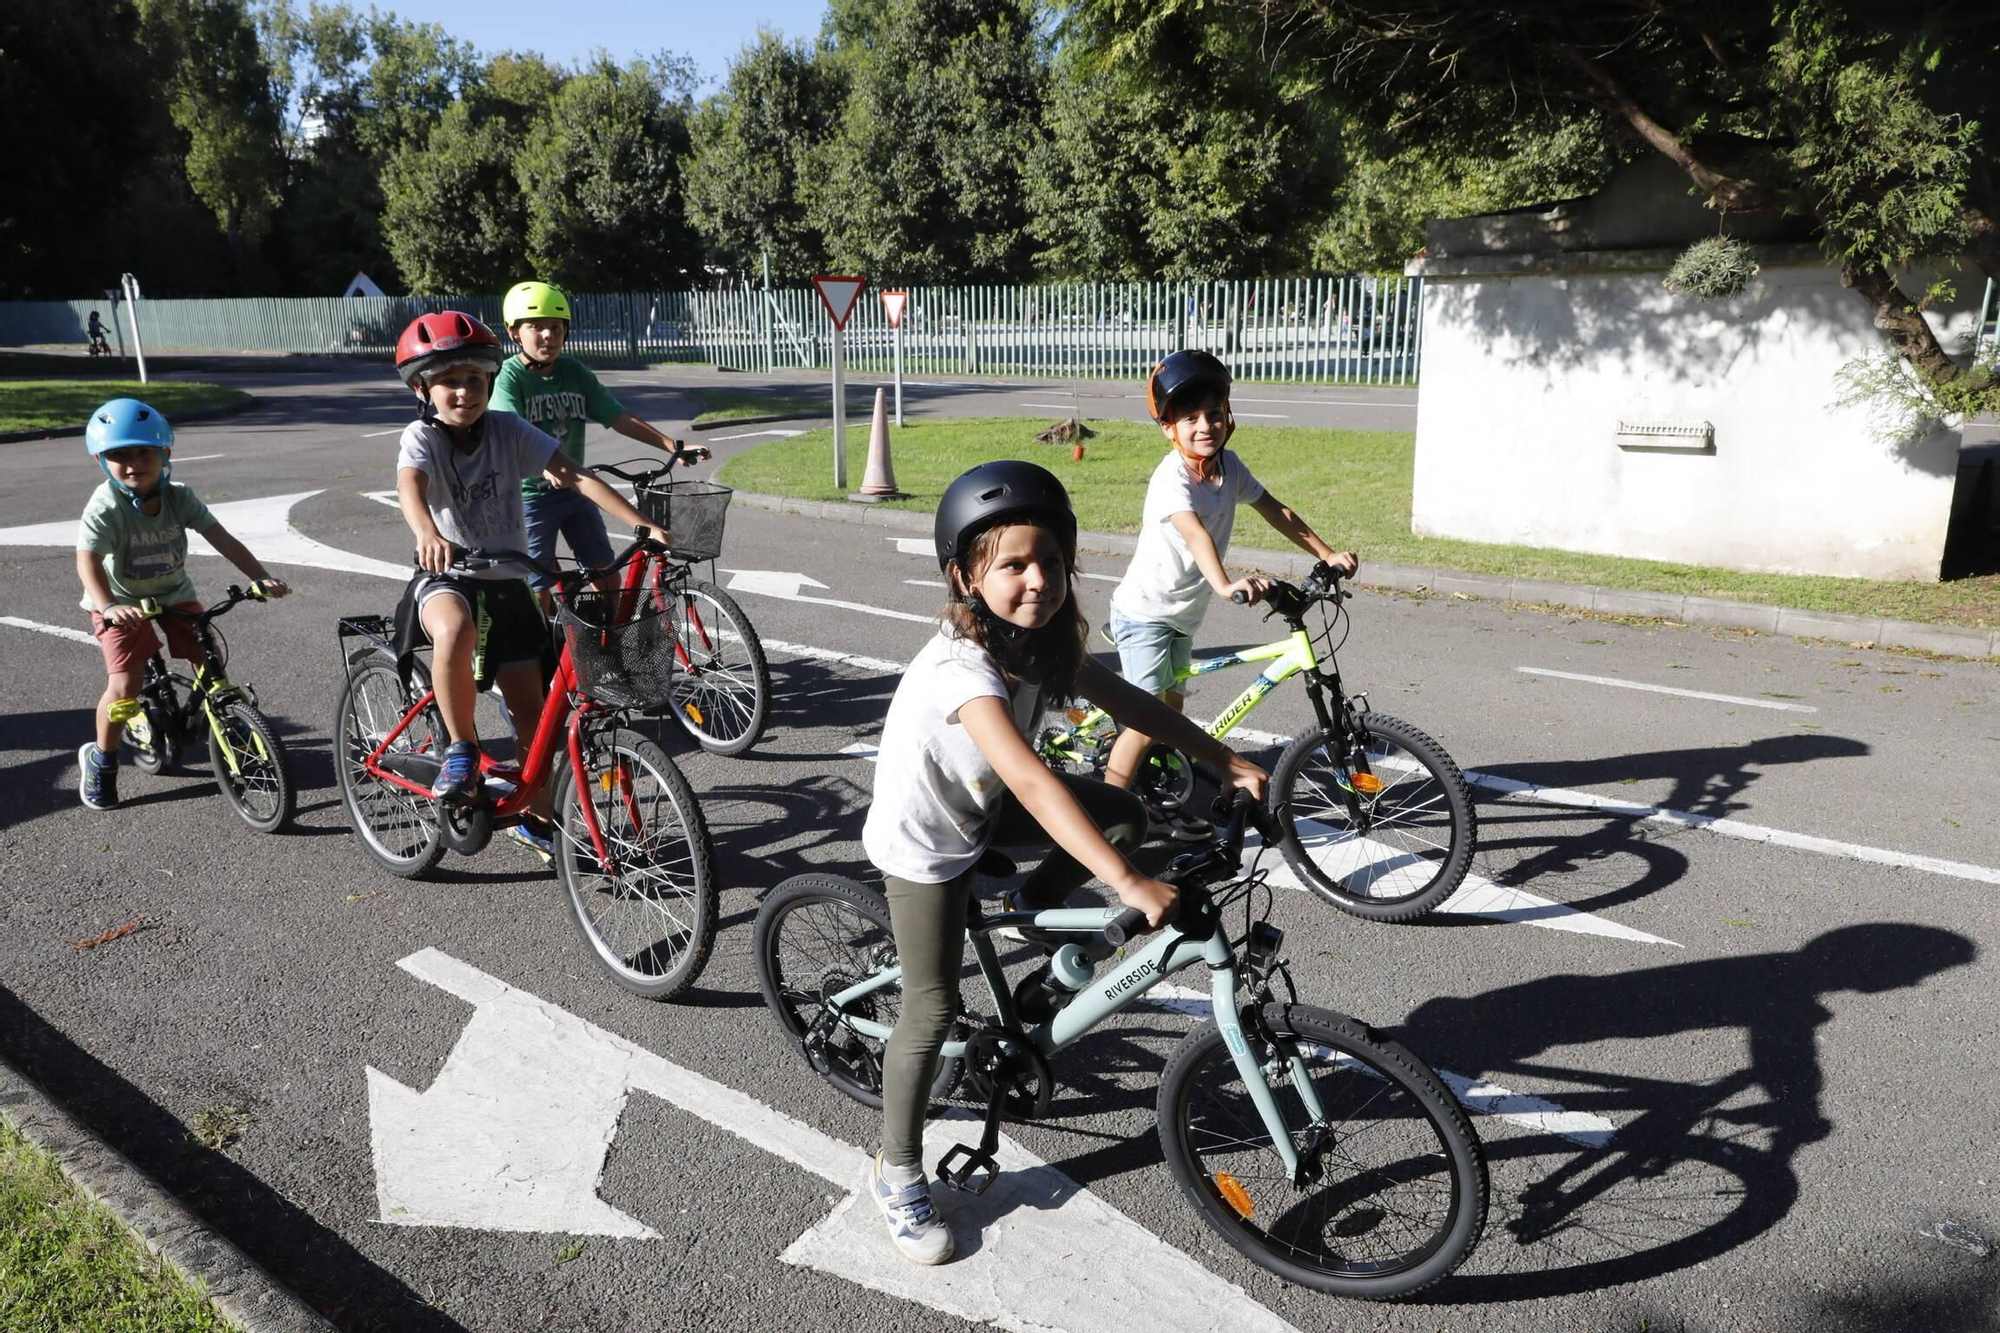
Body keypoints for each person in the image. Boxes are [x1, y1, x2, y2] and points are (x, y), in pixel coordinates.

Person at [858, 460, 1267, 1265]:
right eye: (1012, 564)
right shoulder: (961, 666)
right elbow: (1033, 780)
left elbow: (1134, 705)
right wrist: (1127, 885)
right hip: (930, 843)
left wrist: (1225, 758)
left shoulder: (1042, 642)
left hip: (983, 810)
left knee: (1122, 811)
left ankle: (1035, 928)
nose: (1037, 580)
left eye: (1050, 560)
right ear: (964, 577)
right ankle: (895, 1167)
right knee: (932, 1008)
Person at [390, 310, 657, 860]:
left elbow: (574, 473)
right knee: (456, 627)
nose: (464, 391)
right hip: (448, 577)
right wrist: (427, 533)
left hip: (509, 582)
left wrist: (639, 522)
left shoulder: (509, 429)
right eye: (448, 381)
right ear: (423, 387)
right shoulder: (421, 437)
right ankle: (462, 748)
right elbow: (410, 488)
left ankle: (535, 819)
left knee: (536, 718)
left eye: (474, 380)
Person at [1102, 350, 1359, 840]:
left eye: (1214, 414)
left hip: (1181, 616)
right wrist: (1225, 583)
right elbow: (1194, 532)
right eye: (1190, 418)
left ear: (1229, 418)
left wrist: (1326, 554)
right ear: (1168, 428)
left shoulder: (1229, 467)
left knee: (1170, 719)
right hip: (1146, 613)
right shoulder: (1171, 479)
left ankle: (1156, 798)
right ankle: (1108, 810)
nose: (1205, 426)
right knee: (1147, 717)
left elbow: (1274, 510)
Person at [75, 398, 290, 810]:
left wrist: (258, 577)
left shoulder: (179, 497)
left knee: (208, 659)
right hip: (119, 600)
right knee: (125, 686)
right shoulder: (105, 505)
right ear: (102, 460)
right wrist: (107, 607)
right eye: (120, 455)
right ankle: (102, 759)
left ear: (165, 455)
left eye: (144, 452)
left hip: (173, 592)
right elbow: (87, 562)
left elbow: (222, 538)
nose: (134, 462)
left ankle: (230, 724)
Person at [489, 281, 706, 608]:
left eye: (556, 328)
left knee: (607, 576)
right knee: (536, 589)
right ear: (514, 332)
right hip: (529, 496)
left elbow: (617, 416)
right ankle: (542, 655)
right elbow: (512, 431)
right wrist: (545, 464)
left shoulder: (573, 371)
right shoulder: (510, 377)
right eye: (536, 327)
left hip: (575, 491)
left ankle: (602, 647)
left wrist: (672, 448)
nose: (548, 335)